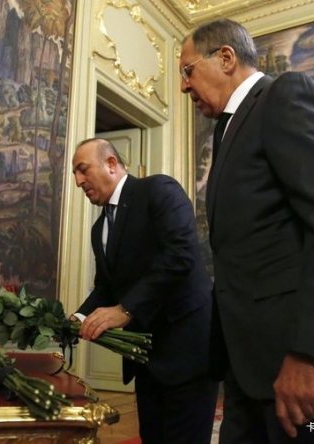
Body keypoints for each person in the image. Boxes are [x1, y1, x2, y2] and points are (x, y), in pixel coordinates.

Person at [180, 19, 314, 442]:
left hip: (300, 368)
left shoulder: (284, 95)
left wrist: (309, 354)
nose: (184, 86)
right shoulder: (229, 128)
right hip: (249, 365)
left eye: (188, 71)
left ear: (226, 58)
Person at [72, 138, 218, 444]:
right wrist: (77, 318)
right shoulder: (99, 230)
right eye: (75, 174)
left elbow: (180, 255)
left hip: (186, 349)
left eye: (83, 170)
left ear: (111, 164)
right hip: (146, 361)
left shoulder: (158, 190)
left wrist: (126, 309)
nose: (78, 181)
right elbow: (106, 287)